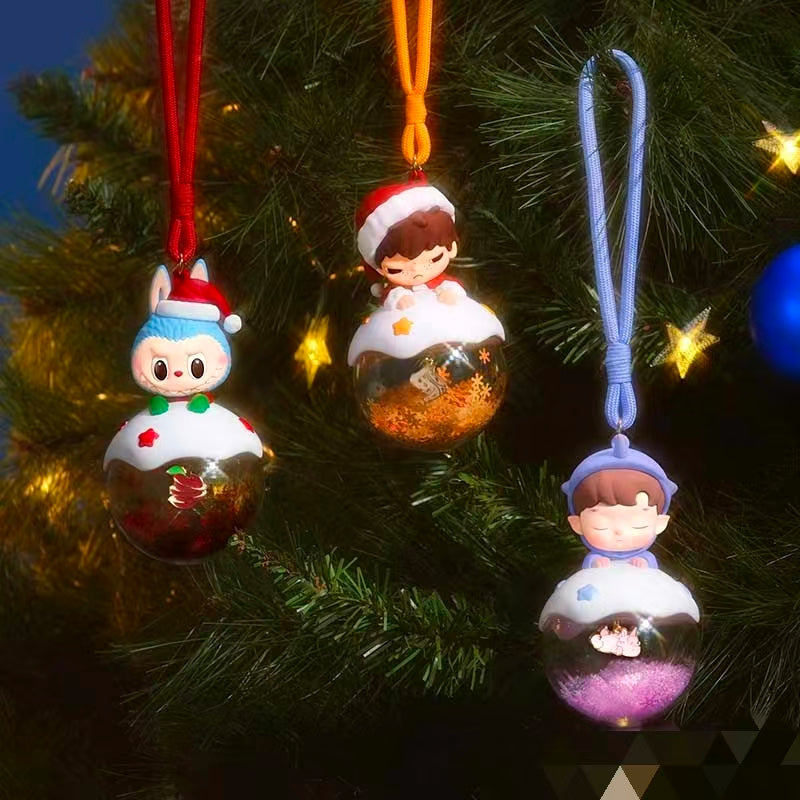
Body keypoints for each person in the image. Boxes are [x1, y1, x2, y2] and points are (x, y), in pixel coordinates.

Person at [561, 434, 678, 569]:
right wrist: (595, 563)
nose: (619, 532)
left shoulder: (647, 557)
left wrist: (644, 563)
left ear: (660, 523)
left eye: (639, 525)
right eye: (600, 526)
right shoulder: (593, 558)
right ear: (577, 524)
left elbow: (651, 570)